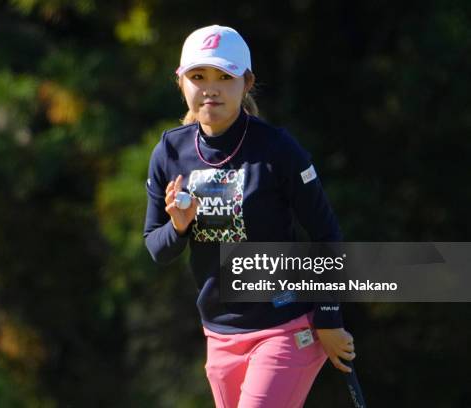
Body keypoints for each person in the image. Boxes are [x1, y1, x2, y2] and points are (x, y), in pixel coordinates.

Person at [143, 25, 355, 408]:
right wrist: (179, 225)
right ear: (181, 82)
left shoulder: (277, 149)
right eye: (198, 76)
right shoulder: (169, 152)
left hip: (286, 328)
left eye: (225, 77)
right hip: (220, 334)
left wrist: (328, 316)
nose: (211, 88)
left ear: (247, 82)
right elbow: (157, 248)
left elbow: (326, 232)